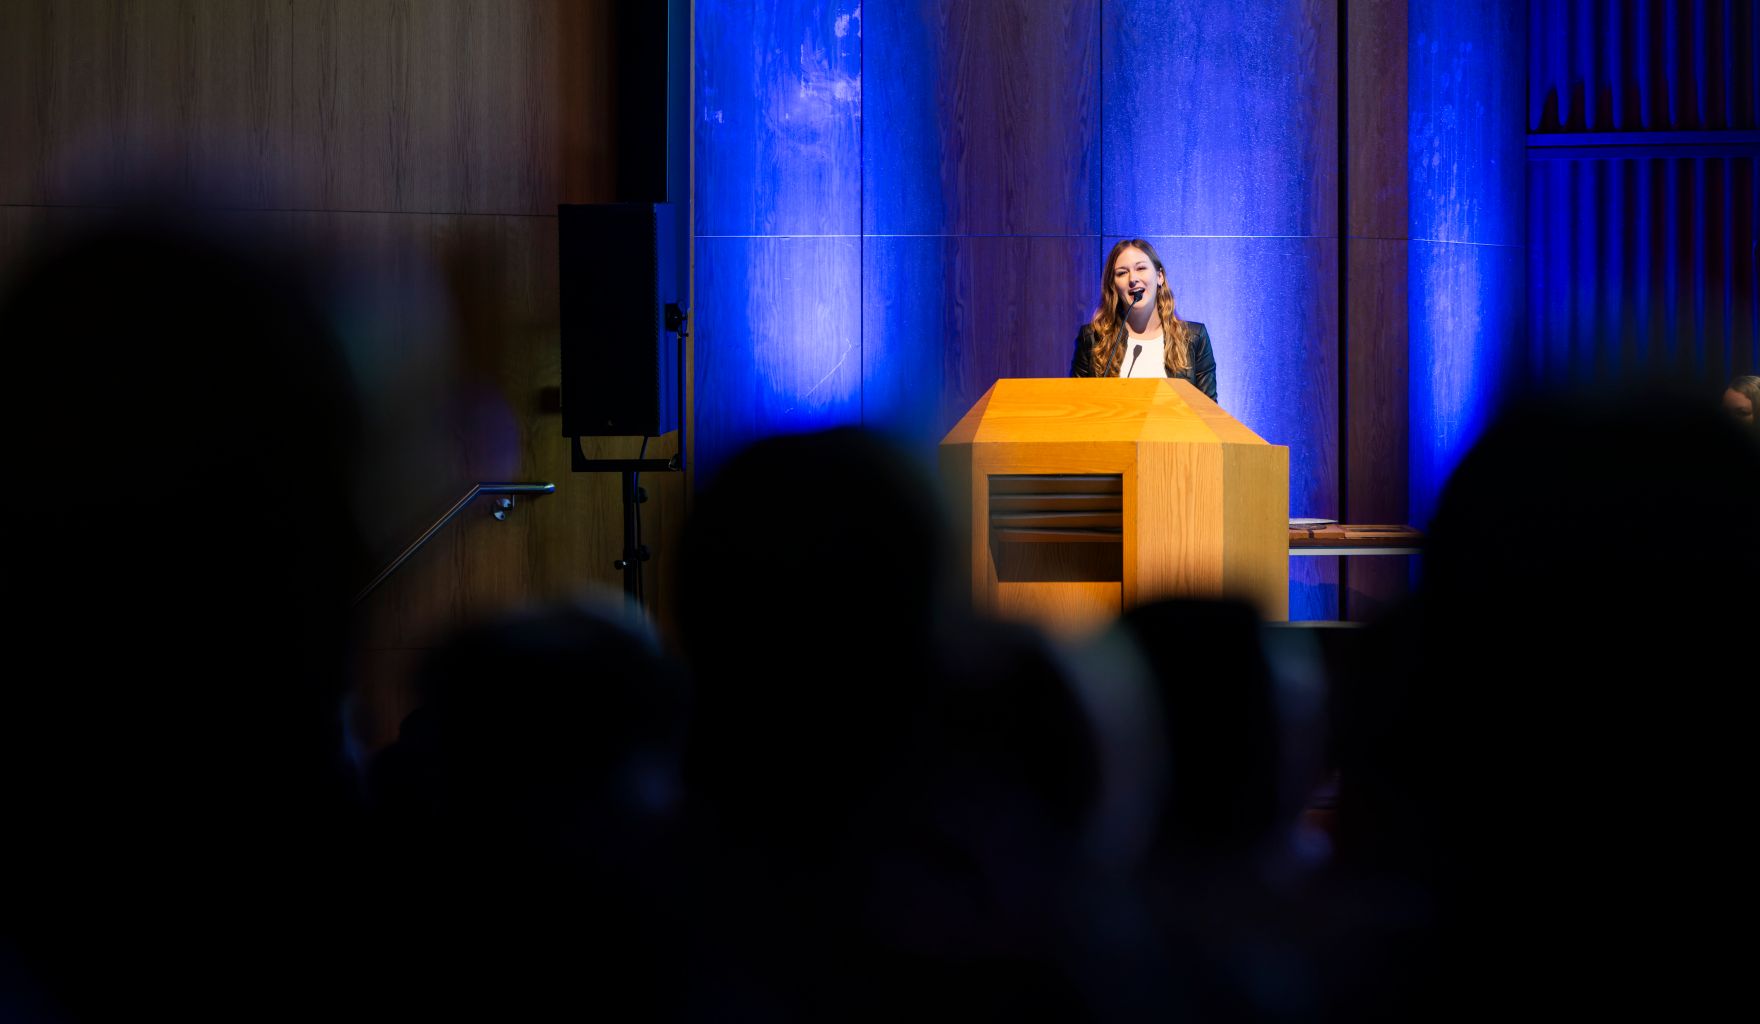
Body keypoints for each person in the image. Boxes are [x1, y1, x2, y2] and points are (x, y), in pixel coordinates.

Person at [1069, 238, 1217, 400]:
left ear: (1159, 276)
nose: (1133, 279)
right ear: (1113, 285)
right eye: (1122, 273)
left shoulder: (1194, 338)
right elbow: (1079, 407)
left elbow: (1208, 413)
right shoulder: (1093, 338)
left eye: (1141, 268)